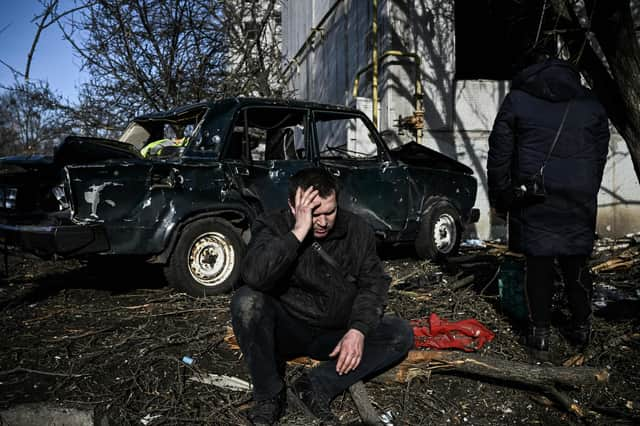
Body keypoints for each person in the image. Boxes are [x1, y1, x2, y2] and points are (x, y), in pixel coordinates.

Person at [230, 168, 413, 425]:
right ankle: (269, 394)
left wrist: (358, 330)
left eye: (330, 212)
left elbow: (373, 284)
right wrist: (299, 231)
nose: (324, 221)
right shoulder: (272, 225)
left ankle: (314, 385)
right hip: (288, 330)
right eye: (314, 214)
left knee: (400, 333)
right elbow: (254, 276)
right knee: (247, 301)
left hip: (336, 334)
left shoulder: (356, 230)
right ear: (293, 207)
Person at [487, 49, 609, 361]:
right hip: (577, 196)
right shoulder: (590, 103)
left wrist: (501, 197)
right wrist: (587, 187)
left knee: (538, 264)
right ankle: (581, 327)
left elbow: (499, 152)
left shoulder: (517, 100)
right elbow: (599, 152)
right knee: (576, 262)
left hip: (534, 195)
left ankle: (539, 334)